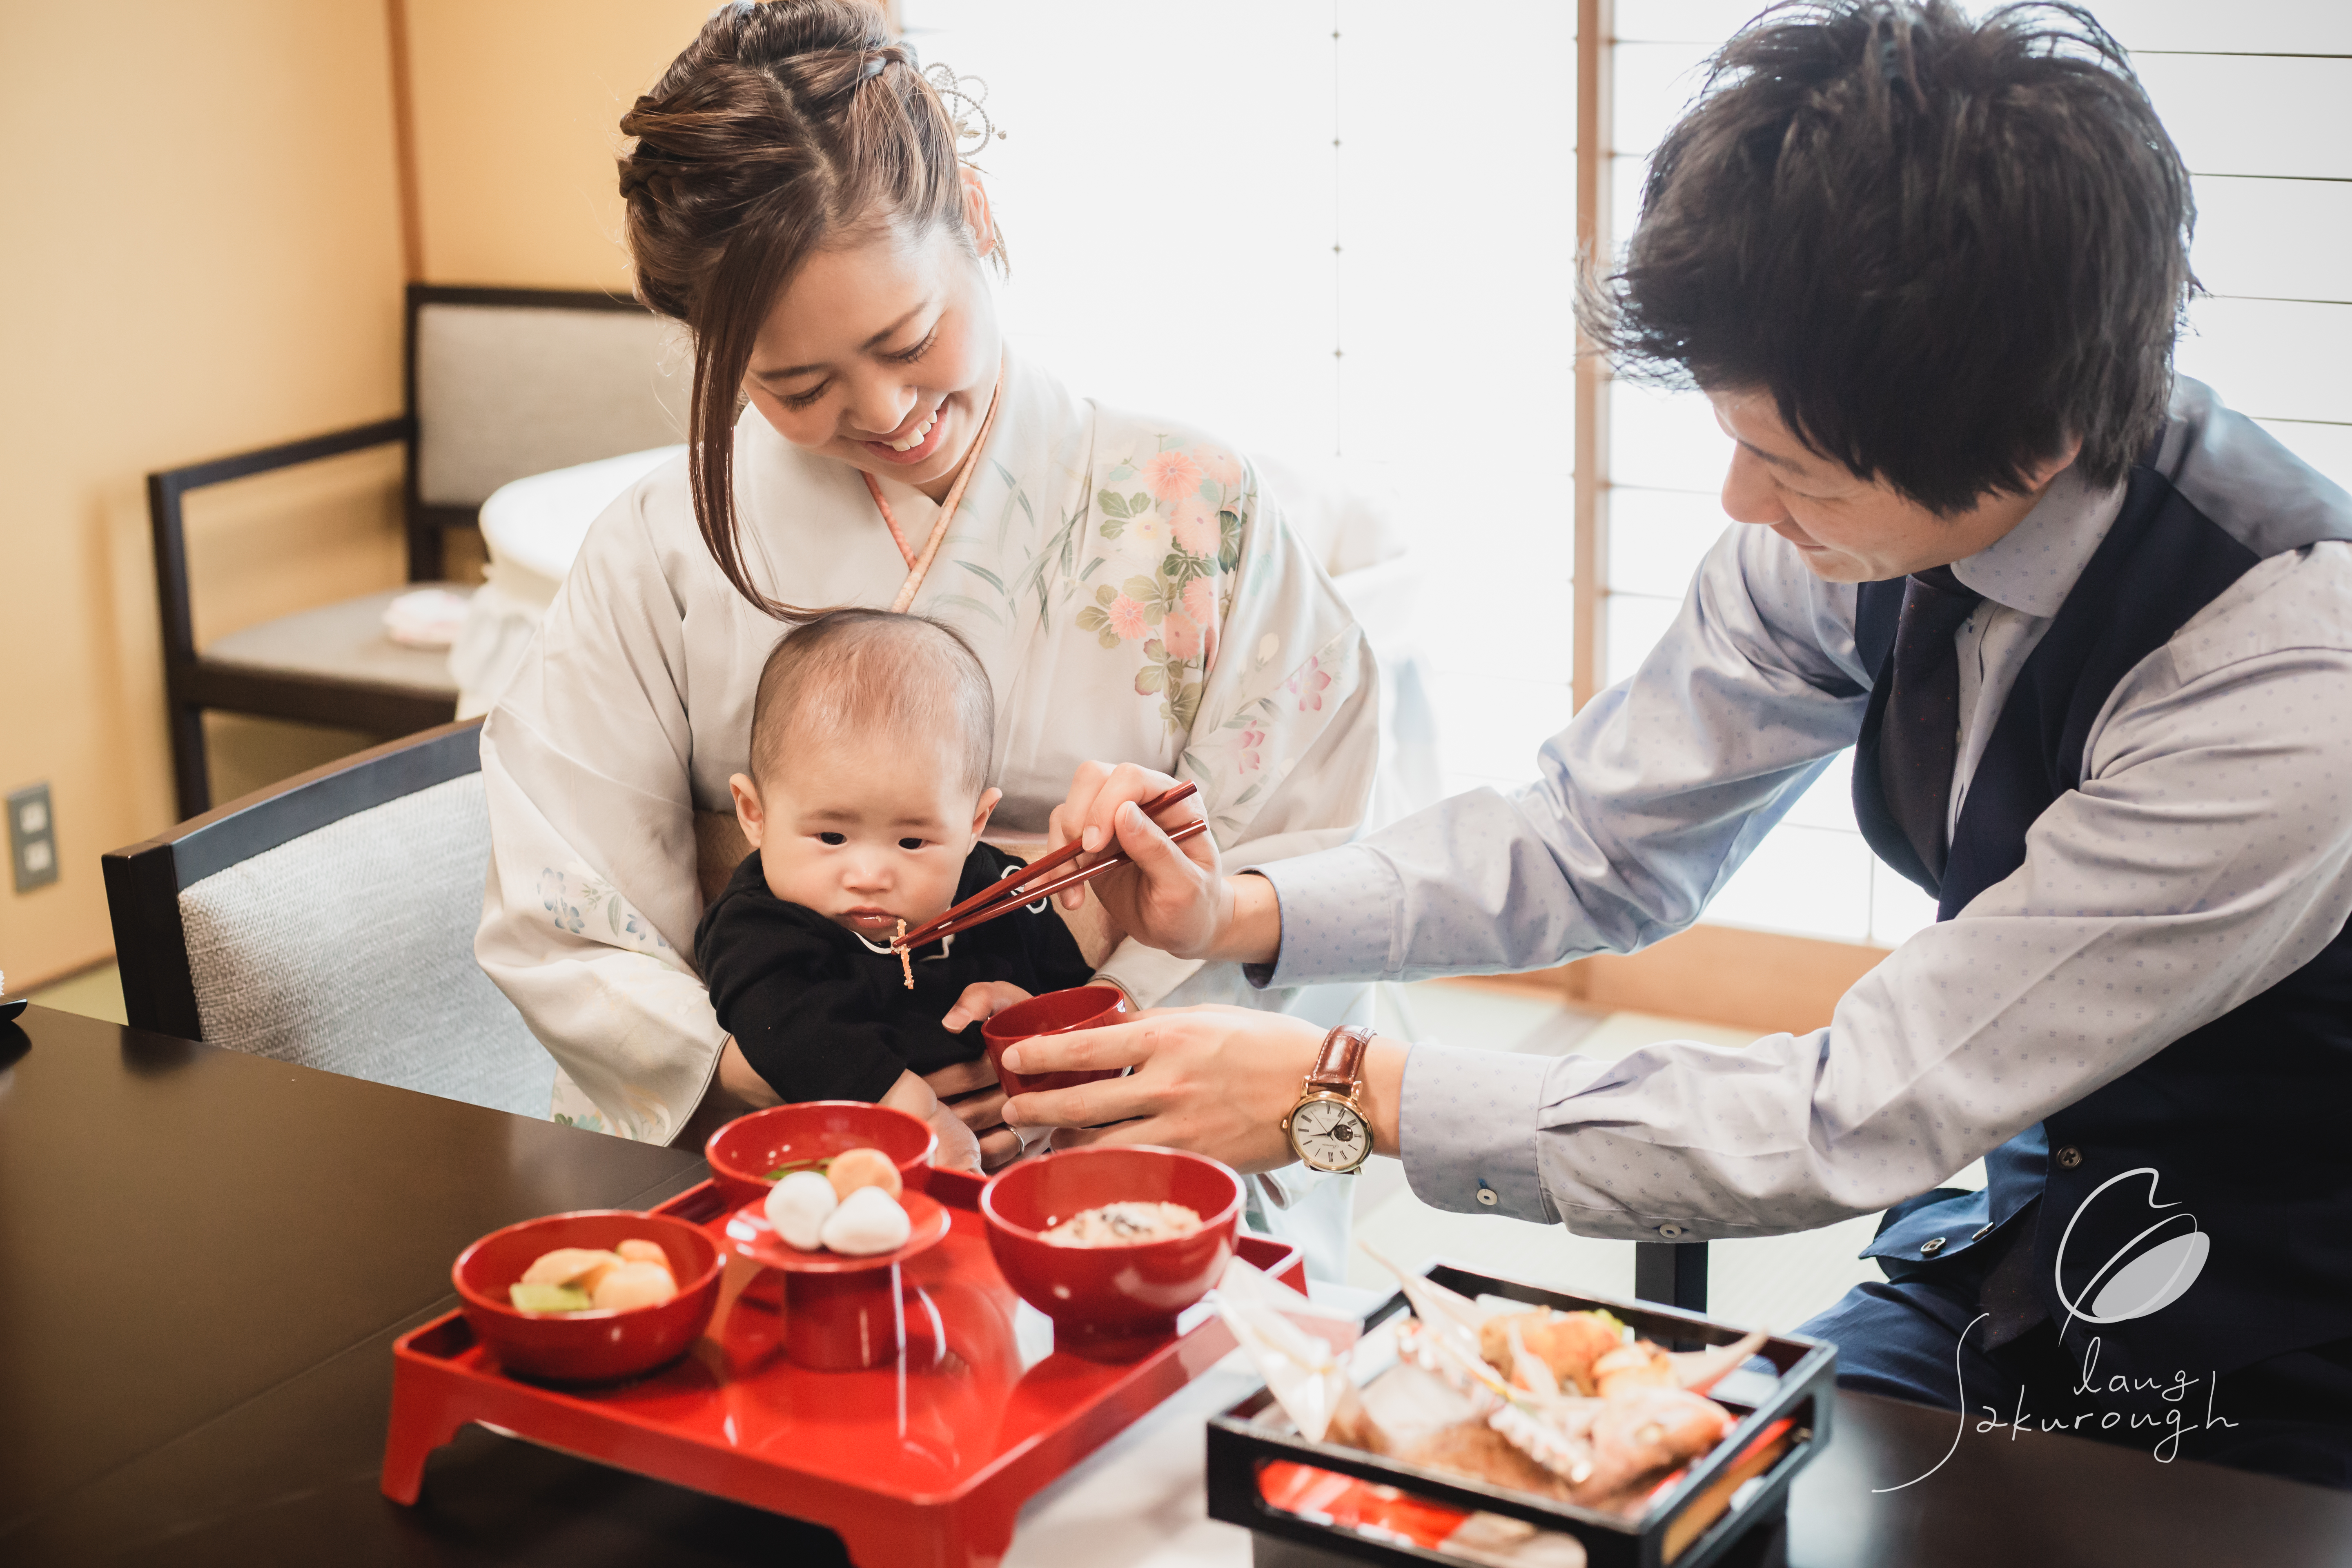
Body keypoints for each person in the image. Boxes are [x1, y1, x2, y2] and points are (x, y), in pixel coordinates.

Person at [1001, 0, 2352, 1486]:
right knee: (1670, 1498)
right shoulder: (1863, 511)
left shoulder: (2288, 678)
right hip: (2017, 1251)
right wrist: (1244, 906)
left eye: (1786, 464)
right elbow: (1597, 838)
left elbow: (1850, 1111)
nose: (1738, 506)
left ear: (2029, 449)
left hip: (2291, 1337)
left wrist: (1342, 1092)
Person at [472, 0, 1381, 1269]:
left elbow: (1318, 855)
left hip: (1143, 1127)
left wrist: (1087, 1053)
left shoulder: (1194, 512)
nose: (890, 411)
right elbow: (571, 904)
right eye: (799, 388)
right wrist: (788, 1077)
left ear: (979, 216)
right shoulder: (662, 543)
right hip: (779, 1135)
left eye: (909, 341)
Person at [694, 610, 1094, 1169]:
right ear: (754, 813)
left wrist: (1033, 1024)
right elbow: (785, 1025)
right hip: (826, 1167)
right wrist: (917, 1113)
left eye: (912, 842)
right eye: (831, 836)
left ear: (975, 822)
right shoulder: (758, 925)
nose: (869, 875)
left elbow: (1084, 1011)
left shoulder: (1000, 894)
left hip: (1022, 1160)